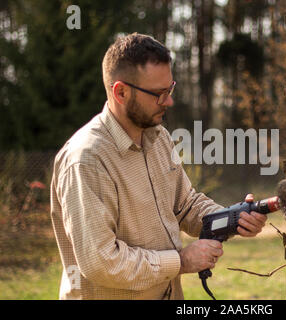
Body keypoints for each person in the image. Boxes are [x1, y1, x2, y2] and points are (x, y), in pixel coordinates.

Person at [50, 32, 267, 300]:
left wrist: (233, 219)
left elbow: (185, 205)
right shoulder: (87, 160)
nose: (169, 101)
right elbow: (101, 262)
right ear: (120, 92)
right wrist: (181, 261)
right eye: (158, 94)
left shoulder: (159, 137)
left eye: (170, 89)